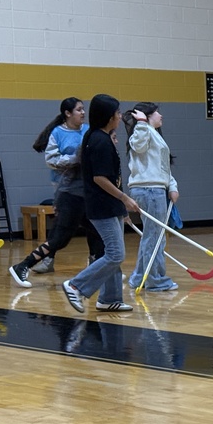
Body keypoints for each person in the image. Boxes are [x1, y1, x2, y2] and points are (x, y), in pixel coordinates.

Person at [8, 97, 105, 287]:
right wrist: (75, 159)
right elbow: (52, 160)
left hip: (85, 191)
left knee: (97, 230)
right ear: (68, 113)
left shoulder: (88, 130)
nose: (83, 113)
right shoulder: (58, 133)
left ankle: (98, 268)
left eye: (83, 109)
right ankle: (23, 265)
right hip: (67, 190)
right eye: (79, 110)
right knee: (61, 237)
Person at [60, 94, 140, 314]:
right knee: (115, 254)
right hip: (102, 206)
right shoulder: (99, 141)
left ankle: (109, 299)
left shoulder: (99, 136)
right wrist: (124, 198)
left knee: (112, 253)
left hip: (110, 205)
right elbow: (100, 178)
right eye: (117, 113)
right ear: (108, 116)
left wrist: (121, 208)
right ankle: (76, 286)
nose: (120, 116)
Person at [123, 102, 179, 292]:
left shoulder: (153, 134)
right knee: (155, 238)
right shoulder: (142, 132)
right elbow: (138, 146)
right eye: (157, 112)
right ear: (146, 116)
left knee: (152, 236)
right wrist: (140, 123)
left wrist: (172, 186)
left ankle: (139, 277)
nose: (161, 116)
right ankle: (155, 280)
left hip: (155, 189)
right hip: (149, 190)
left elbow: (162, 166)